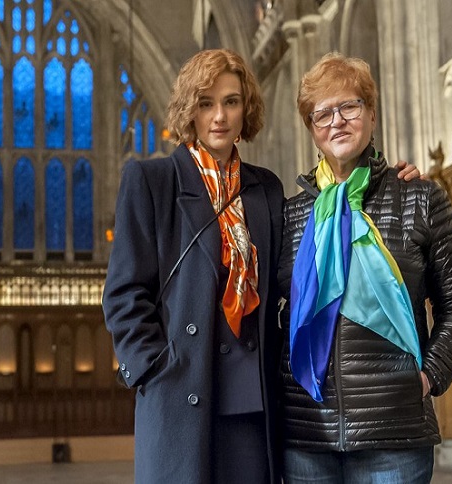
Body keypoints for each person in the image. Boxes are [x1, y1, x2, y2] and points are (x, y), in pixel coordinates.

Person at [102, 48, 420, 484]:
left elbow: (304, 264)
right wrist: (155, 370)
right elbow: (124, 295)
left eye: (231, 101)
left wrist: (391, 183)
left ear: (245, 109)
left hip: (254, 403)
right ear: (189, 110)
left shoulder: (265, 188)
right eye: (206, 103)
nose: (219, 116)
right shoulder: (151, 182)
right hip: (181, 395)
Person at [277, 52, 452, 484]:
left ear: (371, 114)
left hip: (394, 435)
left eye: (349, 107)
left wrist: (428, 376)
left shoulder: (420, 199)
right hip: (306, 435)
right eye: (322, 114)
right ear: (312, 130)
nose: (337, 121)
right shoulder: (291, 216)